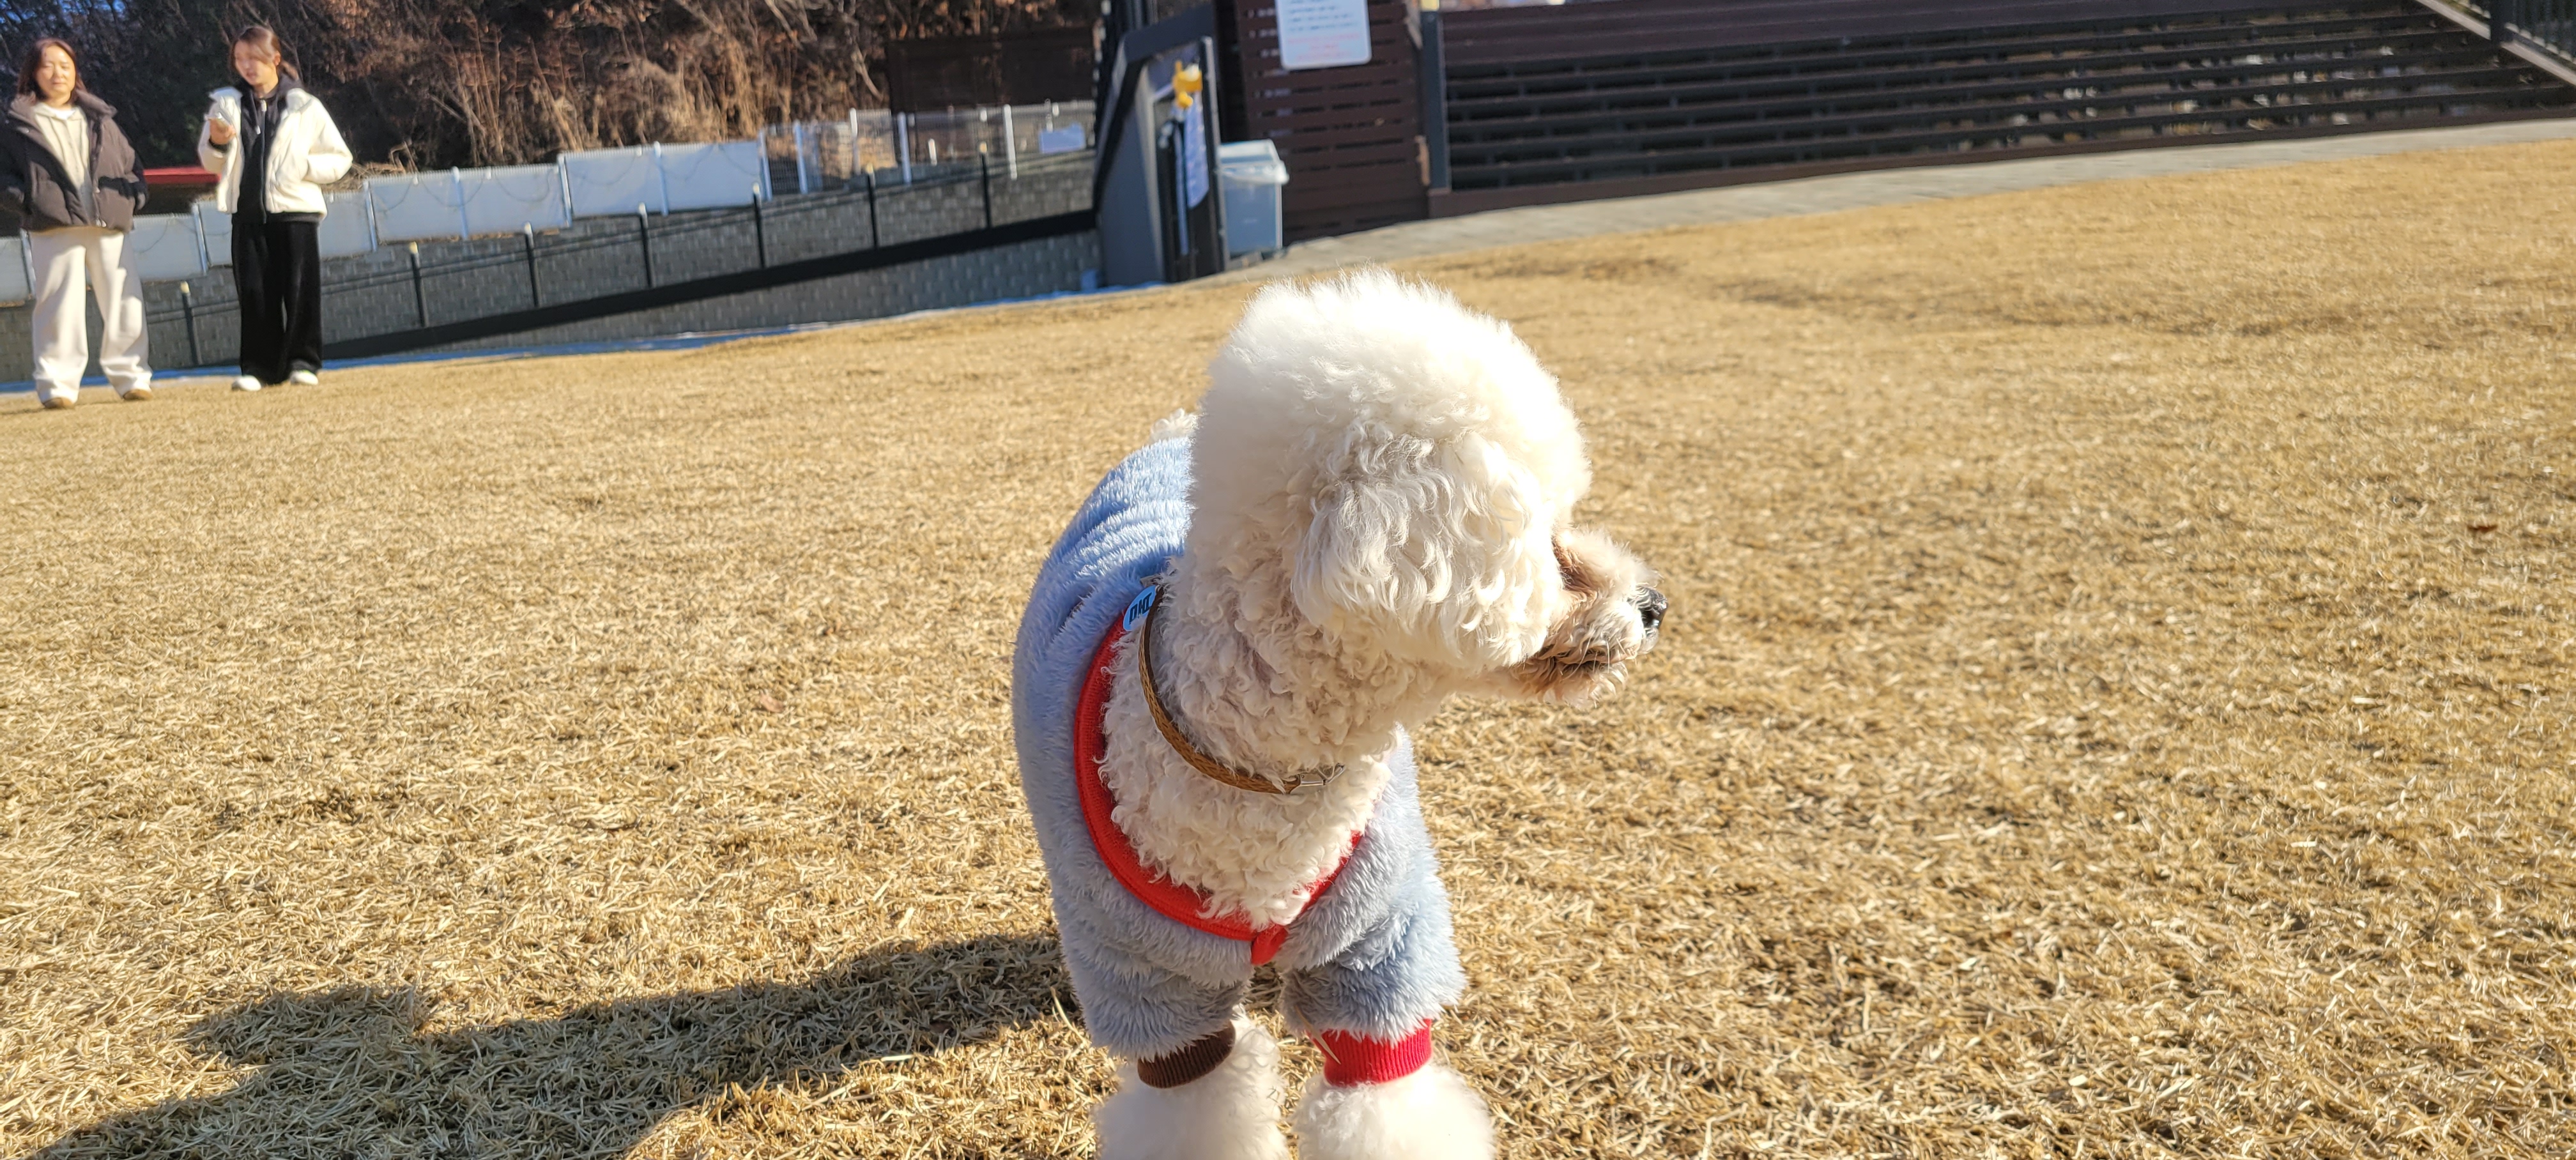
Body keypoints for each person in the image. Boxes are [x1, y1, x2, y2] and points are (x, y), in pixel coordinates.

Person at [197, 25, 349, 393]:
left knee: (300, 291)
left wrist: (304, 168)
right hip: (247, 213)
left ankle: (303, 362)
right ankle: (259, 368)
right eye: (239, 59)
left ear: (275, 59)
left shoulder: (305, 105)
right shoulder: (226, 104)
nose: (246, 66)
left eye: (254, 58)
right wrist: (217, 143)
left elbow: (340, 158)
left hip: (296, 212)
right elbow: (210, 162)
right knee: (254, 293)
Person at [0, 38, 151, 409]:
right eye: (48, 65)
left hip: (108, 220)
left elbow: (130, 164)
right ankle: (57, 386)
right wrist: (31, 202)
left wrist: (133, 197)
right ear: (33, 73)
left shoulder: (101, 118)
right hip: (53, 224)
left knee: (124, 301)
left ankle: (133, 377)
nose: (59, 73)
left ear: (75, 71)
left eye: (66, 65)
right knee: (57, 305)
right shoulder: (17, 122)